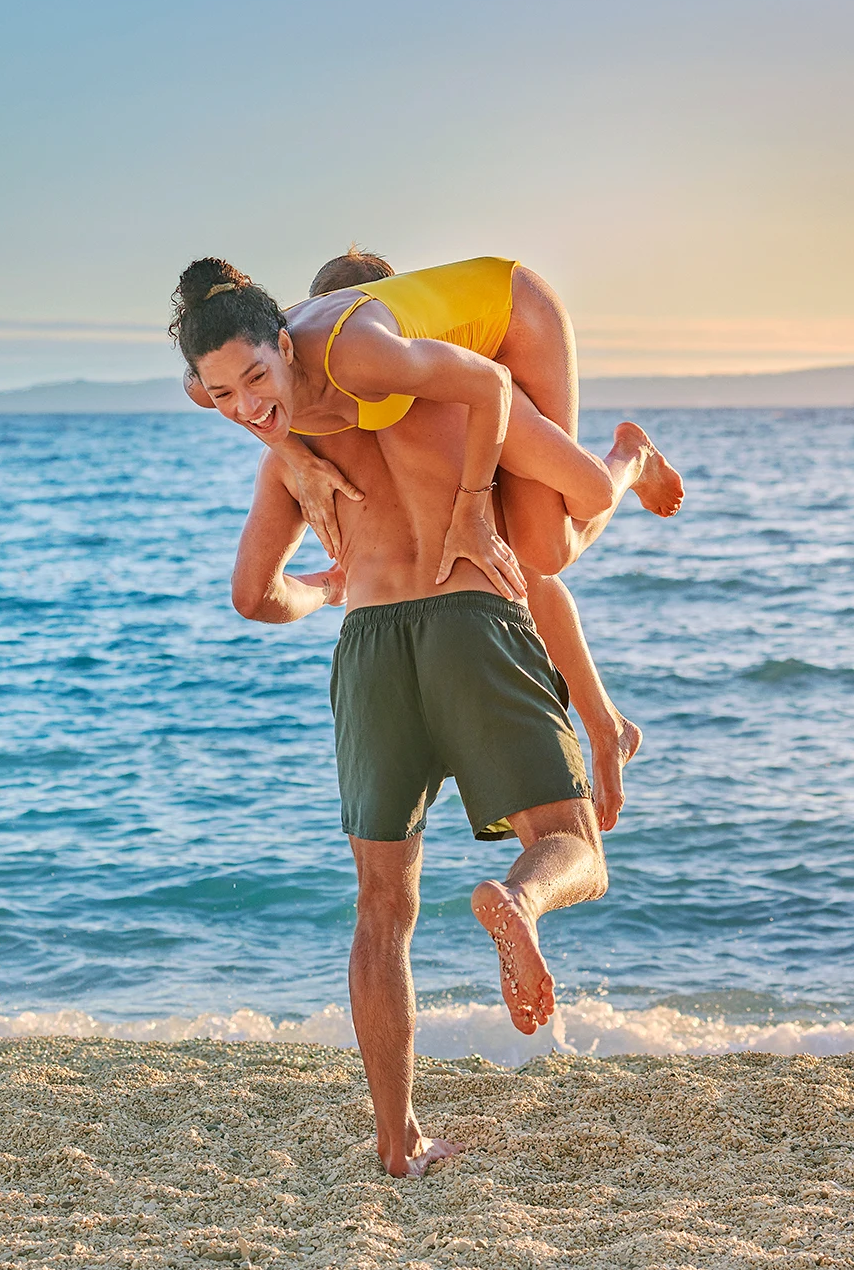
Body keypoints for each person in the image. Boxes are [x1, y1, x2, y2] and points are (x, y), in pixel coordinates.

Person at [217, 298, 611, 1179]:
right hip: (473, 618)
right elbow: (558, 536)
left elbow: (251, 594)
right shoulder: (453, 401)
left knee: (382, 913)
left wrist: (325, 584)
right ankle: (521, 902)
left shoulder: (297, 446)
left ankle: (399, 1146)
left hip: (369, 648)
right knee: (567, 843)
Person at [178, 251, 682, 826]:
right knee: (520, 560)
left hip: (521, 314)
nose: (238, 402)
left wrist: (470, 511)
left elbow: (487, 383)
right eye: (226, 394)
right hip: (434, 366)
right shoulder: (242, 359)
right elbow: (235, 391)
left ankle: (632, 457)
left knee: (552, 542)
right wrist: (295, 454)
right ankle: (608, 725)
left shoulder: (377, 355)